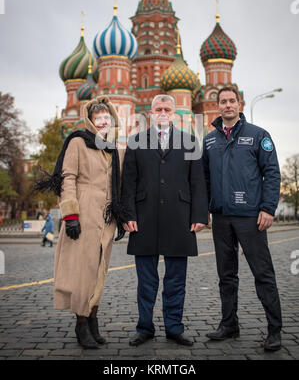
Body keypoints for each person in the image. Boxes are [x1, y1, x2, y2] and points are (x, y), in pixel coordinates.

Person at [35, 95, 126, 349]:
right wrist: (71, 215)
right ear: (90, 121)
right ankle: (81, 323)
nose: (103, 122)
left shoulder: (115, 148)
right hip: (83, 213)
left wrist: (121, 216)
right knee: (82, 272)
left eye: (107, 118)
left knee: (100, 269)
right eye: (98, 118)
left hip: (106, 218)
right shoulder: (78, 142)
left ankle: (93, 320)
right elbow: (68, 178)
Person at [121, 94, 209, 347]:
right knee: (146, 281)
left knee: (176, 280)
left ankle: (174, 328)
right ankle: (144, 328)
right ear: (150, 113)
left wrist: (199, 215)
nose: (162, 112)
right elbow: (129, 182)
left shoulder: (190, 141)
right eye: (157, 108)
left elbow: (197, 183)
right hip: (144, 219)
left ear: (173, 114)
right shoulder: (136, 141)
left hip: (180, 219)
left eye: (167, 109)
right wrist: (128, 214)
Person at [202, 86, 282, 352]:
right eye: (222, 101)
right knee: (226, 275)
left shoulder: (258, 135)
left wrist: (268, 208)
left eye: (231, 101)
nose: (227, 105)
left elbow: (271, 173)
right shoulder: (210, 140)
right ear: (217, 106)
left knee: (263, 273)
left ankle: (274, 330)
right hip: (222, 218)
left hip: (251, 217)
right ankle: (229, 324)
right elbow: (205, 179)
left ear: (240, 104)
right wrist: (207, 211)